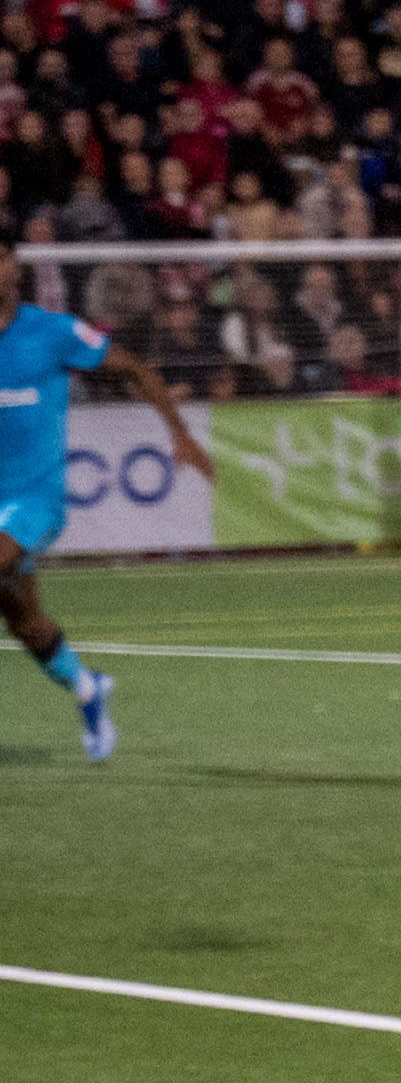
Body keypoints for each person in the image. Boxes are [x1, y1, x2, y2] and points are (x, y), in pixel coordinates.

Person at [0, 296, 205, 758]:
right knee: (28, 626)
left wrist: (181, 433)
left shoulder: (52, 331)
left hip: (35, 498)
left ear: (14, 267)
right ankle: (87, 687)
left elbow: (132, 367)